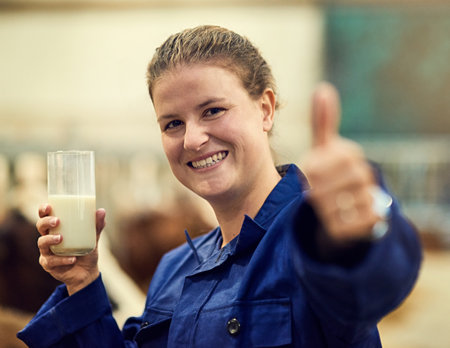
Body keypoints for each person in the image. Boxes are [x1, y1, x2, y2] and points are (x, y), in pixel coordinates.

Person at [18, 25, 422, 347]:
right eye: (172, 123)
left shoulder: (311, 238)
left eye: (213, 110)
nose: (192, 139)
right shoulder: (175, 269)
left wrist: (361, 225)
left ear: (264, 109)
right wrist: (84, 283)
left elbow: (373, 283)